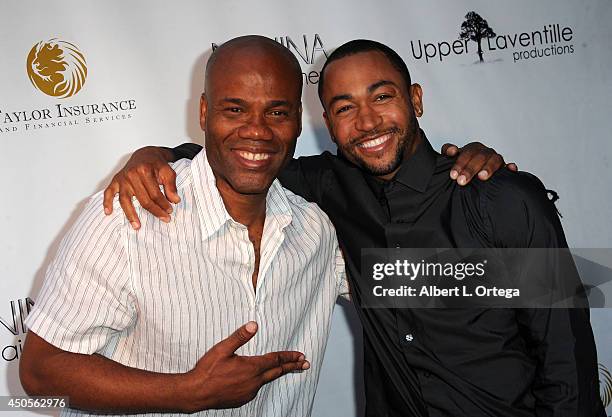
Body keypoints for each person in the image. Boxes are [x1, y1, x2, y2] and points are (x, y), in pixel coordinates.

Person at [109, 39, 605, 417]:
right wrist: (153, 156)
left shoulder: (501, 197)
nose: (367, 122)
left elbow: (567, 355)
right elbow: (238, 156)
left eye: (382, 96)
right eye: (345, 107)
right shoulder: (326, 188)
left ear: (415, 98)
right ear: (327, 120)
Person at [19, 36, 350, 417]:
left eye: (277, 112)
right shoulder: (129, 218)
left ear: (297, 120)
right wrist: (189, 392)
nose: (257, 130)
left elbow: (407, 283)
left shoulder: (315, 232)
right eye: (236, 109)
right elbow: (40, 370)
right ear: (205, 112)